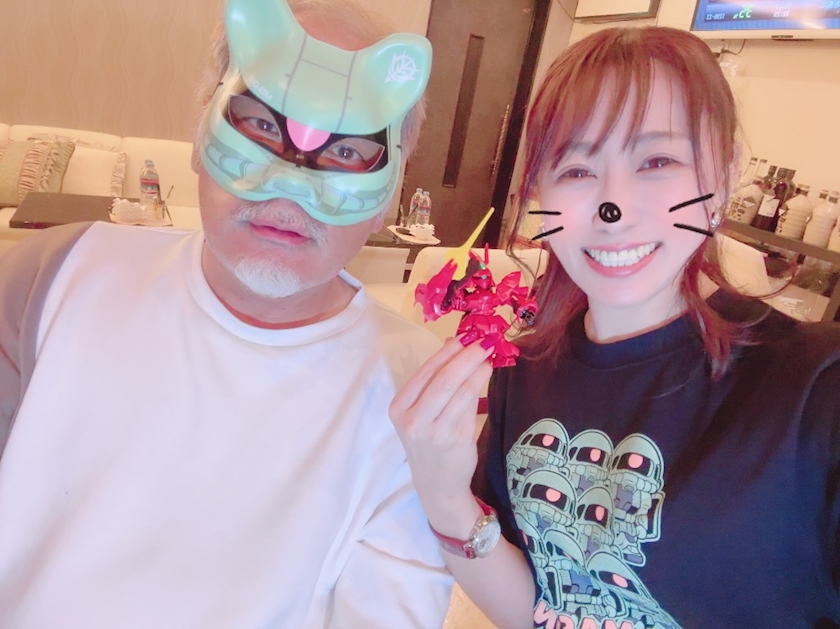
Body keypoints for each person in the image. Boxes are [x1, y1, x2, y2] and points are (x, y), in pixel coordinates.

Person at [0, 0, 453, 626]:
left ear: (387, 197)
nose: (290, 186)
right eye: (263, 125)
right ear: (198, 135)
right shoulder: (51, 278)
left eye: (348, 152)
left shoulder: (421, 396)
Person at [390, 26, 840, 628]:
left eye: (657, 161)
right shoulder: (519, 375)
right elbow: (541, 610)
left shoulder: (816, 390)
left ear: (725, 174)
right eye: (576, 169)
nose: (613, 208)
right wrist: (444, 496)